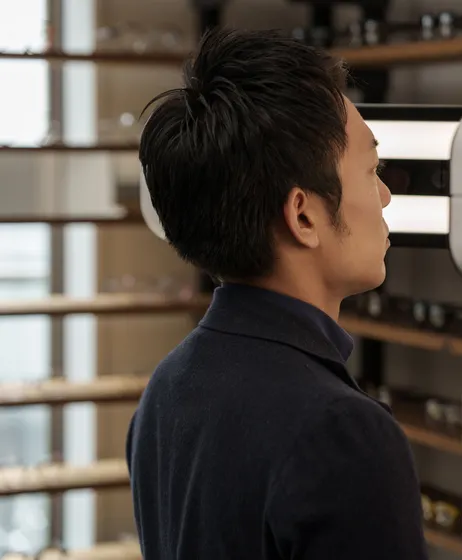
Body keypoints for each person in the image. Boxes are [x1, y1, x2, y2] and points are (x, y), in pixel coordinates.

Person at [126, 27, 428, 560]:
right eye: (371, 171)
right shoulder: (342, 434)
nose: (384, 195)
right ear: (303, 215)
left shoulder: (166, 388)